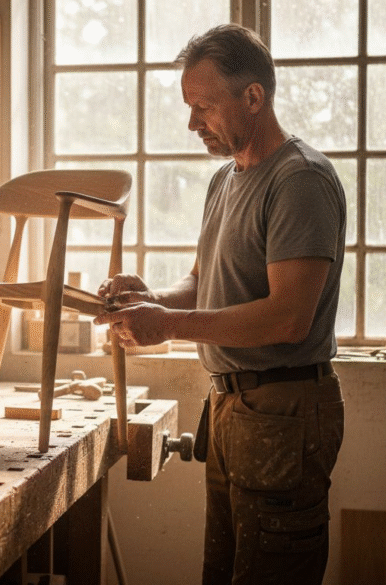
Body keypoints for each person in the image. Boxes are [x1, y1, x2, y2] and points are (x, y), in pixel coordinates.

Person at [94, 24, 347, 585]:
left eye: (204, 107)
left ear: (253, 97)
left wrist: (168, 325)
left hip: (284, 411)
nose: (192, 123)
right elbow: (202, 283)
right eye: (190, 107)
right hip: (232, 409)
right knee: (224, 572)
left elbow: (288, 317)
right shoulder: (225, 181)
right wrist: (150, 299)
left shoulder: (300, 179)